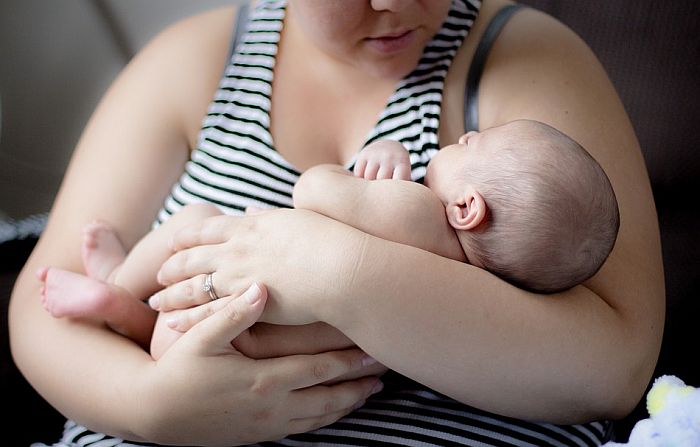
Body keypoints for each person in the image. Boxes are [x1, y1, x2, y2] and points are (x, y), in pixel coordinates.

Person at [8, 0, 664, 446]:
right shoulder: (190, 61)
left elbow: (616, 364)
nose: (399, 2)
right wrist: (155, 406)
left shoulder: (526, 63)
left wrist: (331, 269)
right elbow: (44, 311)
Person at [35, 118, 619, 361]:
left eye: (472, 146)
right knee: (169, 335)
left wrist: (374, 160)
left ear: (467, 209)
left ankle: (117, 284)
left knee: (193, 219)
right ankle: (119, 311)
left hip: (227, 285)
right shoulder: (472, 295)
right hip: (252, 344)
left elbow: (314, 193)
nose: (462, 136)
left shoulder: (418, 210)